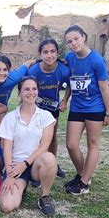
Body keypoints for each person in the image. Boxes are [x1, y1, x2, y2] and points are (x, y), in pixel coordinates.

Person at [62, 25, 109, 195]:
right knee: (71, 144)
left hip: (95, 108)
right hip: (77, 107)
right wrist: (65, 100)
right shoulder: (69, 57)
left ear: (83, 37)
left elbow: (105, 89)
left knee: (92, 144)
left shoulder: (96, 60)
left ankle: (84, 183)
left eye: (76, 39)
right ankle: (82, 174)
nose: (73, 43)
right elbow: (70, 82)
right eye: (69, 41)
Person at [0, 77, 58, 216]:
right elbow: (6, 148)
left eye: (34, 89)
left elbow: (44, 146)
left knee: (49, 157)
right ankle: (21, 187)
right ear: (19, 93)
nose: (31, 92)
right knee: (7, 206)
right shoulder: (10, 117)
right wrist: (10, 173)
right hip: (16, 166)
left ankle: (45, 196)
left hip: (35, 163)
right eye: (26, 89)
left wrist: (26, 163)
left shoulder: (46, 116)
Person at [27, 38, 71, 179]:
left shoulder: (63, 70)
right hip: (37, 107)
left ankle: (53, 164)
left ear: (58, 53)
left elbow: (70, 84)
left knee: (52, 137)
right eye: (45, 52)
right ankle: (35, 166)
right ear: (40, 54)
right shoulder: (34, 71)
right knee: (36, 137)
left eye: (53, 51)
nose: (49, 55)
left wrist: (64, 100)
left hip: (53, 108)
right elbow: (27, 88)